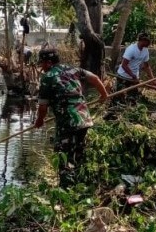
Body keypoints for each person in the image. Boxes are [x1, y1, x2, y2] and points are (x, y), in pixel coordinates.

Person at [34, 47, 109, 185]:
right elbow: (95, 78)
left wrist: (39, 121)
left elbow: (43, 107)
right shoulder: (74, 70)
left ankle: (66, 190)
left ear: (49, 63)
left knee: (63, 156)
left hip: (67, 122)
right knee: (78, 153)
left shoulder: (47, 77)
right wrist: (104, 95)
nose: (42, 66)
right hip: (84, 119)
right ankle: (80, 185)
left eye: (42, 63)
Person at [115, 32, 156, 102]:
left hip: (134, 78)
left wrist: (153, 80)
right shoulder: (131, 49)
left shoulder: (145, 50)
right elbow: (124, 65)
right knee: (118, 99)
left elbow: (146, 66)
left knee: (133, 99)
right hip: (123, 77)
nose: (149, 43)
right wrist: (133, 76)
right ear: (142, 40)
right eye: (147, 42)